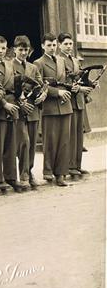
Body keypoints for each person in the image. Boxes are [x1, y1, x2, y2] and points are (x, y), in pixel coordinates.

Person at [0, 35, 26, 192]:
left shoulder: (9, 65)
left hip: (12, 106)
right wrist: (4, 104)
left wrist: (18, 98)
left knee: (11, 143)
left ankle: (11, 176)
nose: (1, 51)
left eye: (3, 48)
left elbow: (14, 85)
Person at [34, 33, 72, 186]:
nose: (52, 48)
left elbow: (67, 80)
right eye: (48, 45)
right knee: (50, 140)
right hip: (50, 106)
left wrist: (70, 88)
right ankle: (48, 171)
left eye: (54, 45)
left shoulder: (62, 61)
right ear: (43, 46)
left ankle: (61, 173)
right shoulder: (38, 63)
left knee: (64, 141)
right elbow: (39, 85)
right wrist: (57, 92)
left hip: (65, 104)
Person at [11, 35, 46, 189]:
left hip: (32, 110)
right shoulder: (9, 66)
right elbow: (9, 88)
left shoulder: (33, 67)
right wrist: (20, 102)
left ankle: (29, 172)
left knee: (31, 143)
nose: (23, 53)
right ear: (14, 50)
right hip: (19, 110)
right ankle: (23, 175)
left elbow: (41, 84)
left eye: (26, 50)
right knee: (23, 142)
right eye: (20, 50)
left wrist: (43, 95)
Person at [57, 32, 92, 180]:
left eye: (70, 44)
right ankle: (70, 166)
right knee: (69, 135)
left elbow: (80, 79)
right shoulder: (59, 61)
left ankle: (77, 165)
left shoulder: (75, 60)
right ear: (59, 45)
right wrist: (79, 88)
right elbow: (64, 80)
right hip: (68, 101)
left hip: (78, 101)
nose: (69, 47)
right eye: (65, 44)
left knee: (78, 135)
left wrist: (90, 84)